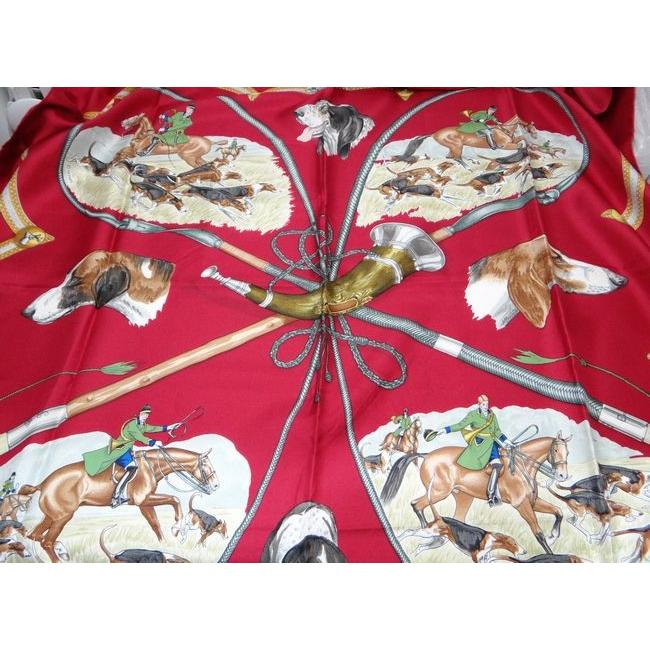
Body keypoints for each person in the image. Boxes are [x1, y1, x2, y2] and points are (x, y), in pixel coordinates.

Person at [82, 405, 181, 508]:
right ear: (139, 414)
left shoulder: (142, 425)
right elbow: (139, 437)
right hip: (119, 449)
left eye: (147, 414)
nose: (146, 416)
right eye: (144, 414)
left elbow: (152, 428)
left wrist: (168, 427)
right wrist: (154, 442)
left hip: (127, 449)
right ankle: (116, 495)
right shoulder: (132, 425)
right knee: (132, 467)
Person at [425, 395, 510, 507]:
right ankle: (491, 495)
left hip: (493, 444)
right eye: (483, 404)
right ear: (479, 405)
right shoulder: (473, 415)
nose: (486, 406)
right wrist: (444, 430)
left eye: (487, 404)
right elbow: (460, 425)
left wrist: (507, 441)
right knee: (497, 465)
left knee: (504, 462)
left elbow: (497, 432)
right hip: (479, 446)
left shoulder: (492, 415)